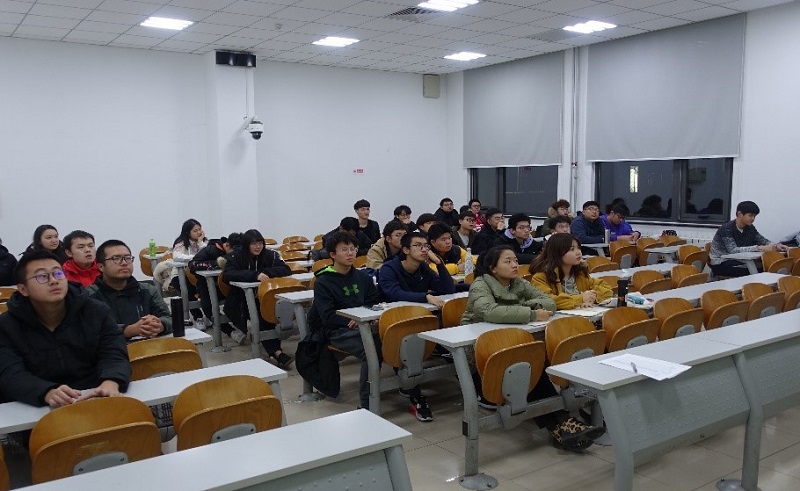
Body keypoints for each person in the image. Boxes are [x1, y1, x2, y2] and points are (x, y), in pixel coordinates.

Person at [460, 245, 603, 451]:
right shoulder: (480, 285)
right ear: (493, 268)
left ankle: (562, 425)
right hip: (481, 347)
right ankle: (562, 424)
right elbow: (489, 311)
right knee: (527, 364)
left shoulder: (518, 282)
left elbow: (549, 302)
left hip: (513, 341)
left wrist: (522, 308)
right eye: (508, 261)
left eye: (515, 260)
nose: (515, 265)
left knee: (531, 362)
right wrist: (531, 313)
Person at [0, 251, 130, 407]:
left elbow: (114, 353)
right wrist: (46, 391)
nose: (54, 281)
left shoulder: (95, 311)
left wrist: (111, 381)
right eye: (42, 276)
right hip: (36, 406)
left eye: (58, 273)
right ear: (23, 289)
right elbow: (10, 374)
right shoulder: (7, 326)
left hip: (94, 396)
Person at [307, 232, 383, 411]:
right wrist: (351, 319)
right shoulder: (323, 281)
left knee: (391, 337)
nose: (350, 253)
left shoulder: (363, 277)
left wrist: (367, 318)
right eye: (344, 250)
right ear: (332, 254)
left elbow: (373, 302)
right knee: (371, 349)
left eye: (352, 249)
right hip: (336, 330)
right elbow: (327, 316)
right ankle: (367, 404)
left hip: (362, 325)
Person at [223, 229, 293, 368]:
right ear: (246, 245)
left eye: (260, 243)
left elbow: (285, 270)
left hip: (265, 297)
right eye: (253, 244)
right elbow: (228, 275)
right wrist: (254, 275)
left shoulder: (270, 255)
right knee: (261, 315)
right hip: (242, 300)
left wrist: (264, 273)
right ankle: (277, 352)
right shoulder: (236, 257)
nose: (258, 247)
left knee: (267, 312)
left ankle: (275, 352)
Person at [86, 240, 173, 340]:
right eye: (116, 258)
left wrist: (160, 325)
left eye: (128, 258)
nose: (124, 263)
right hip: (113, 348)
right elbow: (91, 329)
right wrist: (129, 330)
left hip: (150, 345)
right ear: (101, 266)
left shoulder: (147, 290)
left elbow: (169, 318)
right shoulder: (90, 295)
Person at [530, 234, 613, 309]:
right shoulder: (540, 277)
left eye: (578, 248)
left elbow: (606, 288)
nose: (578, 252)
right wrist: (581, 299)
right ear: (557, 253)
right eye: (572, 249)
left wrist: (592, 297)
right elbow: (547, 301)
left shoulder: (580, 273)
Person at [709, 200, 788, 277]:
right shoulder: (726, 229)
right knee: (758, 271)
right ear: (740, 214)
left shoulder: (750, 228)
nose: (753, 218)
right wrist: (759, 248)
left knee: (766, 267)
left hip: (739, 260)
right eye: (750, 215)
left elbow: (762, 240)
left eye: (754, 216)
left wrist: (776, 245)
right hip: (720, 263)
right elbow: (733, 250)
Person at [378, 232, 455, 309]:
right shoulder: (389, 268)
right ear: (406, 250)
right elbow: (394, 293)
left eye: (426, 246)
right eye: (418, 245)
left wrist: (439, 263)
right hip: (393, 312)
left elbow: (448, 289)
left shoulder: (424, 267)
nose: (424, 250)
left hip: (418, 310)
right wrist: (425, 297)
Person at [188, 235, 238, 340]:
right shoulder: (210, 250)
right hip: (206, 285)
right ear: (227, 245)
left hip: (228, 285)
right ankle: (230, 331)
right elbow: (192, 264)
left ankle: (242, 327)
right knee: (208, 306)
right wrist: (217, 263)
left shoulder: (238, 251)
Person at [170, 219, 209, 325]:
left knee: (208, 289)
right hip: (180, 275)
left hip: (198, 275)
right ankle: (198, 317)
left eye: (200, 229)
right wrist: (196, 258)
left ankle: (210, 314)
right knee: (188, 291)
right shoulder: (181, 242)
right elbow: (176, 256)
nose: (199, 232)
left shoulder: (204, 241)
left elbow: (208, 254)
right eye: (195, 231)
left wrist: (200, 243)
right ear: (188, 232)